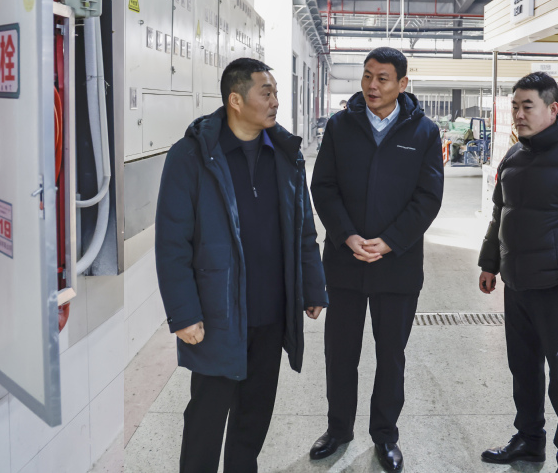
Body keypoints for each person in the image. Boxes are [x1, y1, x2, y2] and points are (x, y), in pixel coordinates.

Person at [155, 57, 328, 473]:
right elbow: (172, 243)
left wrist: (312, 286)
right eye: (266, 93)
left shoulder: (285, 154)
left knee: (254, 415)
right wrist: (183, 313)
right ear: (235, 100)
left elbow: (303, 228)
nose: (275, 101)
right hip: (218, 312)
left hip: (271, 312)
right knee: (207, 416)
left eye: (275, 93)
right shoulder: (192, 156)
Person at [309, 47, 444, 472]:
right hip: (345, 261)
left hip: (397, 265)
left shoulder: (424, 132)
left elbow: (428, 197)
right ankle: (338, 430)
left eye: (382, 78)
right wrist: (347, 235)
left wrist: (389, 241)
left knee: (391, 356)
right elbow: (323, 186)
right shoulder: (340, 126)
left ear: (402, 84)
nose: (372, 85)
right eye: (367, 75)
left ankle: (385, 436)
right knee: (340, 353)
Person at [478, 71, 558, 473]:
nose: (518, 114)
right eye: (514, 106)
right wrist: (490, 262)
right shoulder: (514, 155)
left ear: (553, 108)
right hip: (517, 285)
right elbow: (500, 213)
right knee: (524, 371)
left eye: (527, 106)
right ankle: (529, 442)